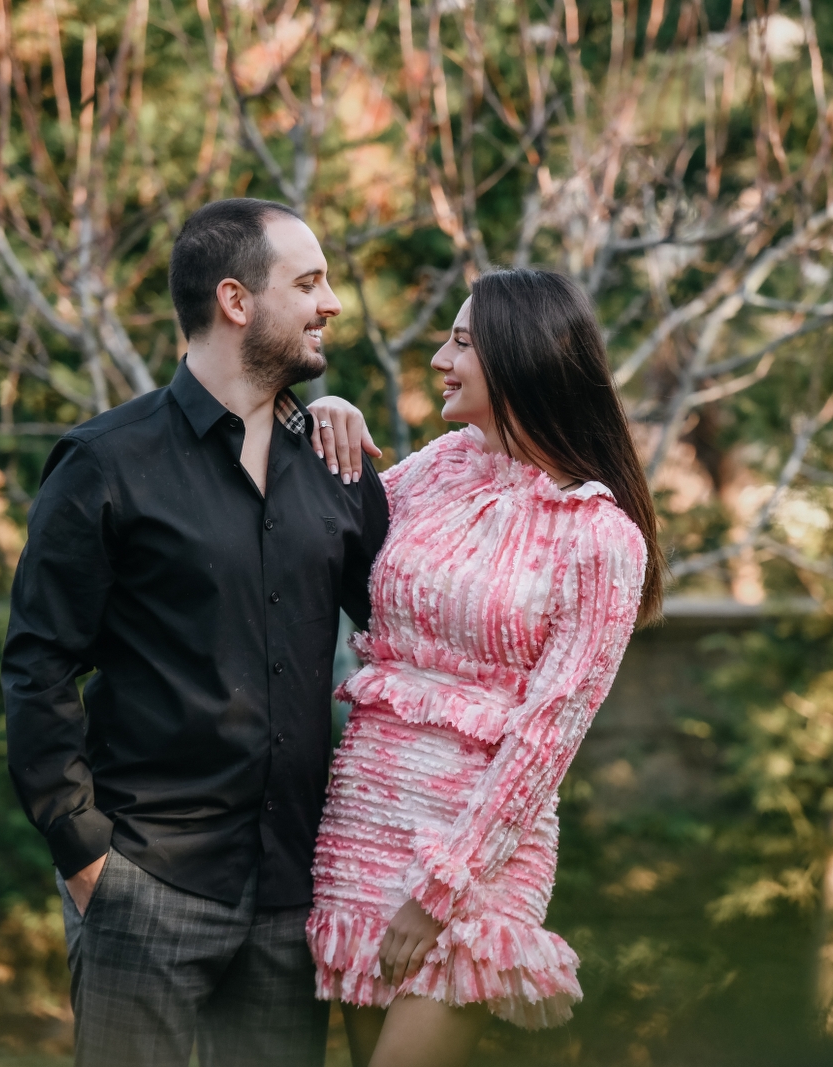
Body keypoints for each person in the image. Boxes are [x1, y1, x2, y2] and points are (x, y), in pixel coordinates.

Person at [1, 197, 387, 1067]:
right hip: (146, 881)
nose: (331, 303)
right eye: (309, 283)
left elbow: (410, 633)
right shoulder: (105, 462)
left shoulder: (336, 465)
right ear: (235, 300)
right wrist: (84, 852)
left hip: (294, 895)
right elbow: (38, 666)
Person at [307, 268, 667, 1067]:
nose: (440, 358)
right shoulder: (442, 465)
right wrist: (329, 423)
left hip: (474, 853)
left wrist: (442, 889)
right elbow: (328, 523)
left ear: (520, 358)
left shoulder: (601, 537)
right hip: (365, 819)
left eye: (462, 343)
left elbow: (549, 736)